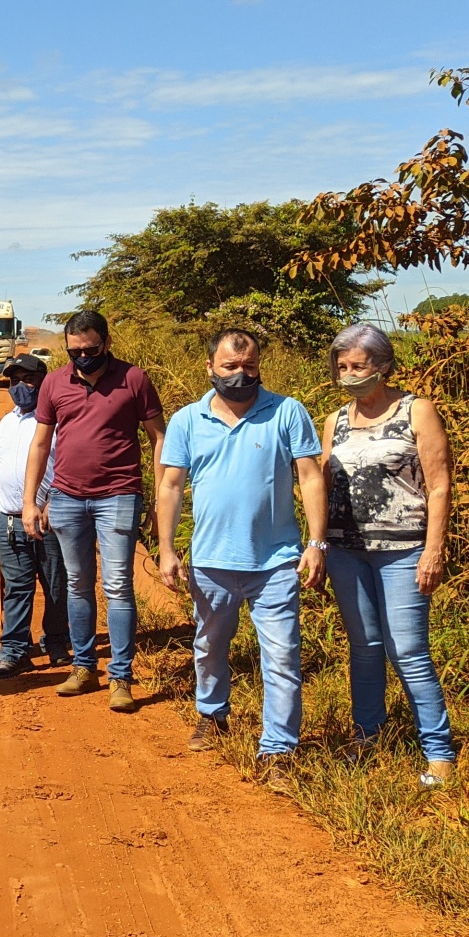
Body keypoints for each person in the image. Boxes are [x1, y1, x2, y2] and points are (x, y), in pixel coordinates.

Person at [154, 329, 327, 787]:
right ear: (210, 368)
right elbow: (170, 485)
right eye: (230, 367)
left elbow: (310, 477)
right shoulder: (187, 421)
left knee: (283, 656)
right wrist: (167, 548)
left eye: (249, 366)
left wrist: (316, 542)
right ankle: (213, 714)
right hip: (211, 561)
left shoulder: (286, 412)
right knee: (210, 646)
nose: (240, 374)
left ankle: (277, 749)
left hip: (276, 561)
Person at [321, 323, 456, 787]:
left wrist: (434, 549)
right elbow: (319, 485)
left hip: (404, 551)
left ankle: (439, 754)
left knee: (409, 651)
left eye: (358, 365)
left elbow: (439, 485)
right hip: (346, 552)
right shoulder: (334, 420)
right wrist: (317, 544)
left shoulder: (417, 411)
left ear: (383, 366)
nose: (348, 374)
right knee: (364, 648)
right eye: (342, 366)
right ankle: (367, 738)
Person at [22, 310, 165, 712]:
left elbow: (159, 439)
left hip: (119, 495)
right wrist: (31, 501)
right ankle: (84, 667)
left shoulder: (133, 379)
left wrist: (157, 503)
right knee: (78, 583)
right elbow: (40, 444)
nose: (82, 357)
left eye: (89, 349)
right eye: (74, 351)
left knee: (118, 585)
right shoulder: (54, 382)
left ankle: (121, 677)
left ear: (106, 343)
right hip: (67, 498)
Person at [0, 353, 71, 679]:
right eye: (13, 380)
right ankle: (14, 652)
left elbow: (67, 467)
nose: (20, 386)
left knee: (55, 585)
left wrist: (53, 502)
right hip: (9, 520)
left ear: (43, 382)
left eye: (28, 379)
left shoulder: (57, 421)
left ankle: (57, 644)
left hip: (49, 519)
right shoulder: (7, 422)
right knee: (17, 587)